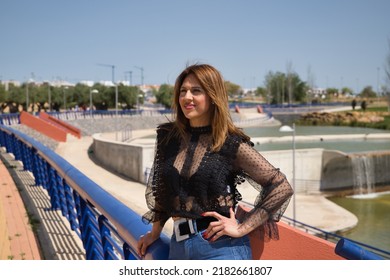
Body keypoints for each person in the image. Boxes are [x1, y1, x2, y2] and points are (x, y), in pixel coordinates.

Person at [137, 63, 293, 260]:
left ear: (212, 97)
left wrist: (242, 228)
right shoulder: (168, 137)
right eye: (183, 91)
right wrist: (154, 234)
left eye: (196, 91)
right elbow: (162, 191)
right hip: (178, 247)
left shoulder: (229, 143)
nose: (187, 97)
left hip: (220, 248)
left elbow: (281, 186)